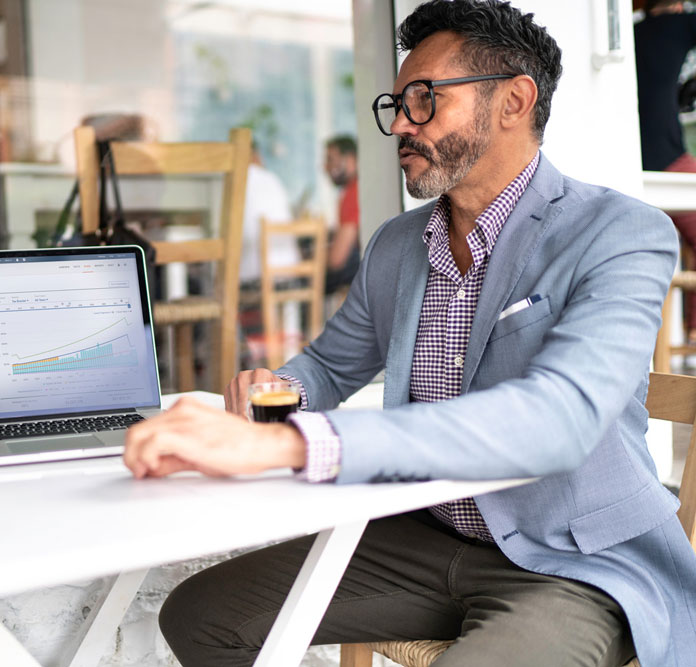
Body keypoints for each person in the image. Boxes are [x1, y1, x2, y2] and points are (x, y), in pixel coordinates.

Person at [122, 1, 696, 665]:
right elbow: (329, 368)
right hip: (423, 538)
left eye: (425, 100)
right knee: (201, 616)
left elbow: (558, 419)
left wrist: (292, 446)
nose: (400, 123)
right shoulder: (398, 244)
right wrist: (278, 390)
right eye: (397, 102)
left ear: (514, 101)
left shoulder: (619, 232)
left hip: (574, 560)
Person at [635, 0, 696, 332]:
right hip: (665, 158)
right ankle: (693, 336)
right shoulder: (679, 25)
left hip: (635, 157)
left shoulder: (634, 34)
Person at [238, 143, 298, 285]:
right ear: (257, 156)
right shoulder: (274, 179)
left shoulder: (238, 181)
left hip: (256, 276)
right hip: (289, 271)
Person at [323, 134, 361, 293]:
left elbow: (336, 259)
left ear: (350, 159)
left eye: (331, 159)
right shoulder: (356, 189)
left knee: (304, 281)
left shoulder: (353, 192)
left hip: (358, 275)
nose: (326, 166)